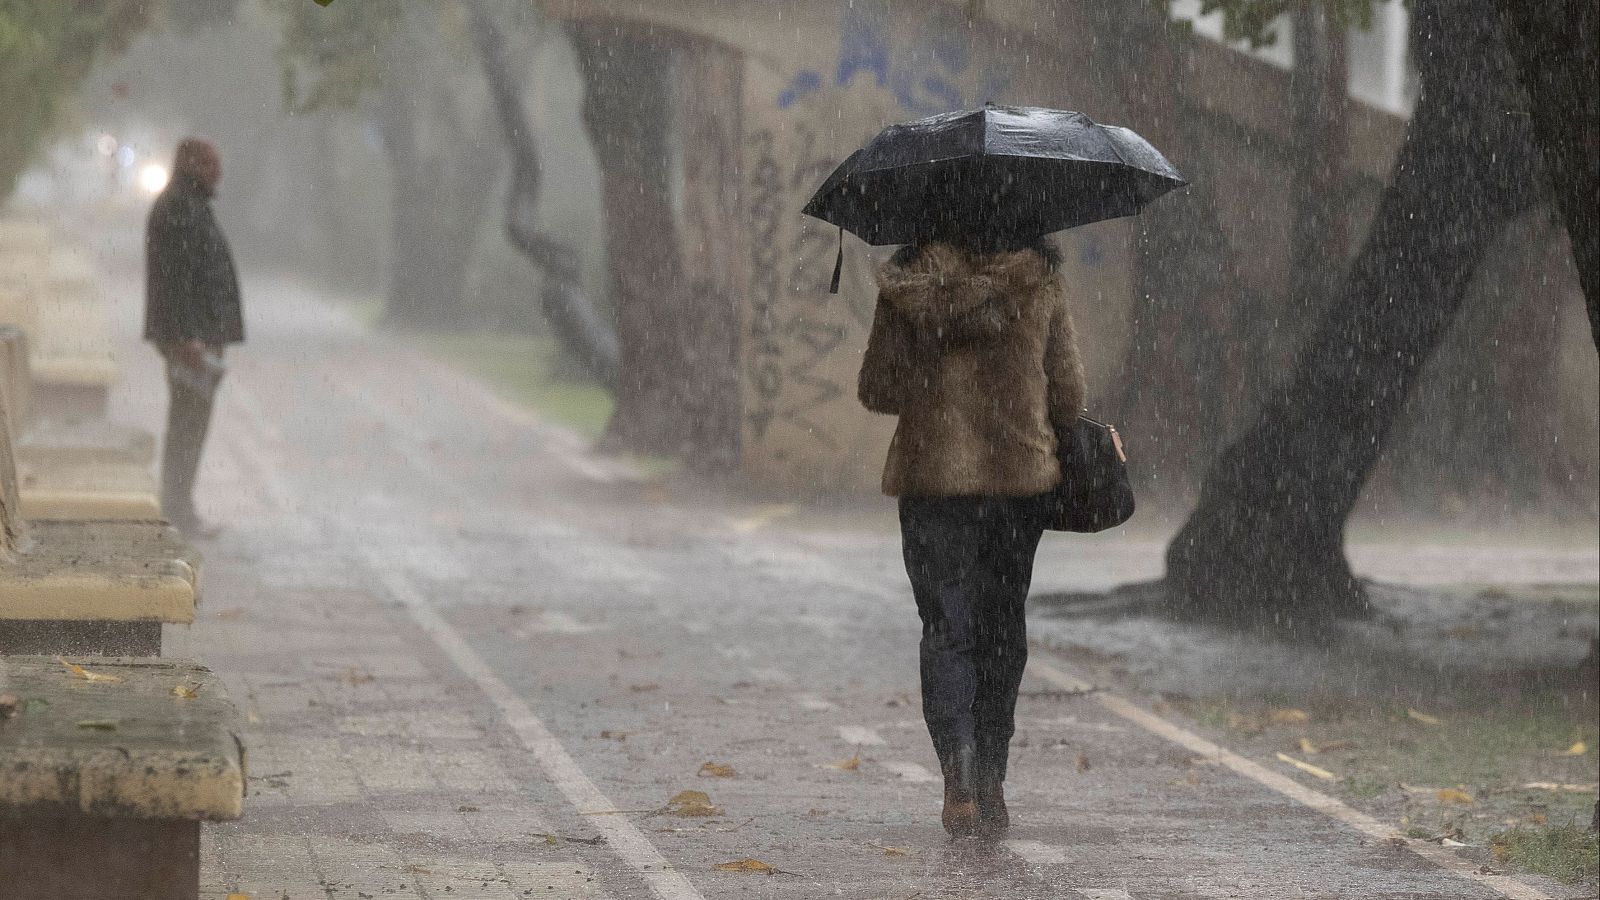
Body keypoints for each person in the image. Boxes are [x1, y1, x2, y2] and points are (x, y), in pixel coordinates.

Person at [858, 232, 1085, 838]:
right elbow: (1069, 394)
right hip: (1017, 484)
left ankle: (956, 778)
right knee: (1002, 627)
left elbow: (876, 390)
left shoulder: (907, 288)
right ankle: (992, 775)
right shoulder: (1039, 279)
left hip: (933, 482)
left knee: (946, 629)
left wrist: (931, 372)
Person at [145, 138, 243, 537]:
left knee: (190, 422)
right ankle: (178, 509)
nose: (218, 172)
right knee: (188, 422)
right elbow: (175, 280)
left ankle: (180, 505)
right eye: (211, 163)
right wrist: (186, 336)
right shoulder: (180, 208)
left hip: (196, 333)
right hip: (191, 338)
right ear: (192, 165)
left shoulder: (188, 204)